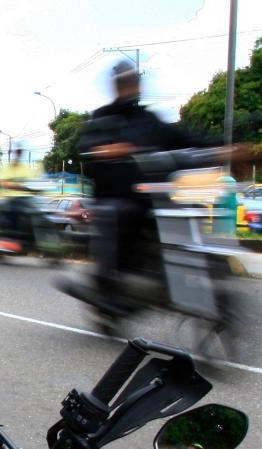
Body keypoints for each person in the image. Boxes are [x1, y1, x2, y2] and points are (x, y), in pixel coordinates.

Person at [77, 61, 209, 296]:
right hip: (115, 196)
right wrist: (108, 150)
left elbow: (187, 140)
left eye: (133, 82)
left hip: (154, 198)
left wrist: (228, 149)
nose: (129, 87)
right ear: (116, 86)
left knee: (190, 210)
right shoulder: (101, 118)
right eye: (124, 83)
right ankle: (107, 282)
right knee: (113, 212)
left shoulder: (149, 120)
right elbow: (86, 148)